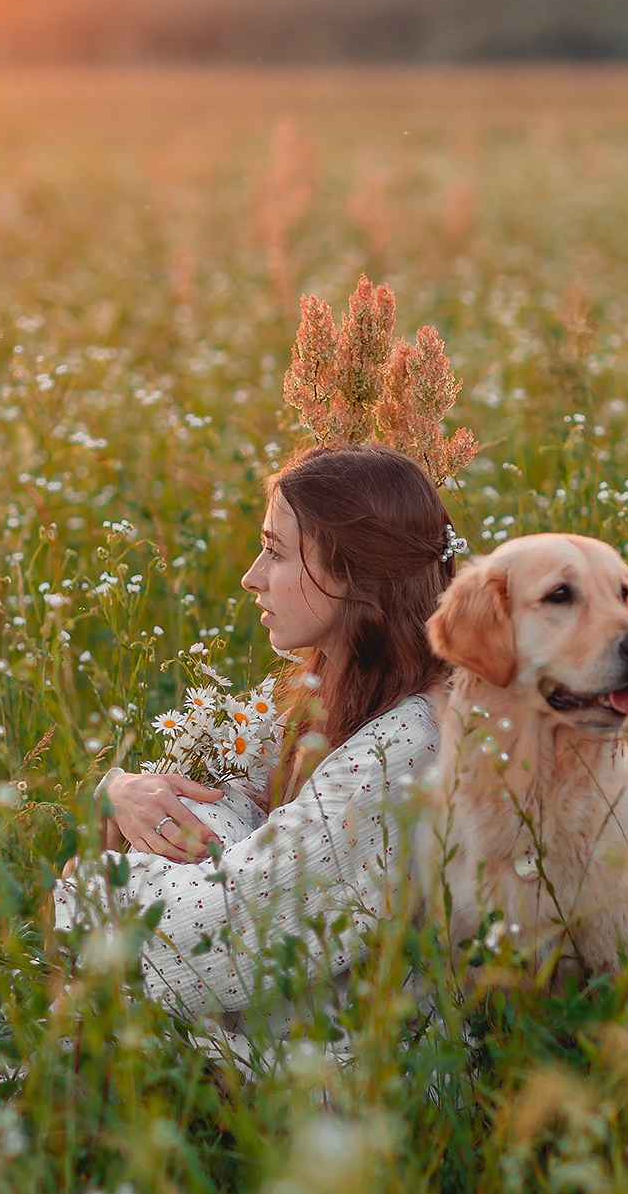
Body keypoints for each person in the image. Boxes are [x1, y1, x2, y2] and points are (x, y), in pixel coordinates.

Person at [53, 444, 457, 1056]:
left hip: (334, 1078)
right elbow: (207, 785)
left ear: (354, 574)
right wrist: (120, 789)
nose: (251, 577)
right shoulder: (333, 694)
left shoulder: (405, 747)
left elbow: (222, 937)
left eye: (275, 552)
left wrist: (93, 884)